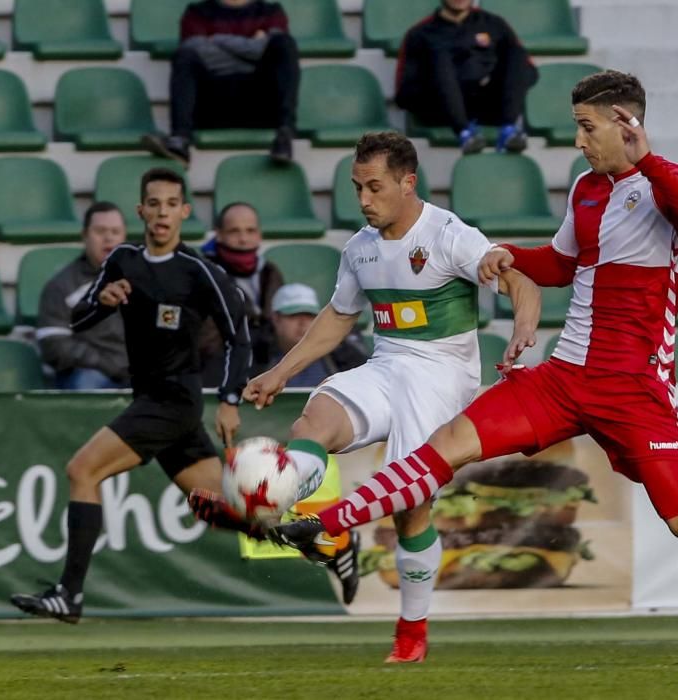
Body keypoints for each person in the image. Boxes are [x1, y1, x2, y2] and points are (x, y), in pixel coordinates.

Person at [270, 72, 678, 660]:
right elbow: (559, 263)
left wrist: (649, 157)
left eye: (587, 128)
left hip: (634, 392)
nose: (578, 141)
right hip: (563, 380)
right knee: (448, 443)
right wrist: (507, 256)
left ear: (625, 125)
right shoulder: (586, 189)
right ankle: (330, 521)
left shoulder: (670, 187)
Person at [191, 131, 542, 662]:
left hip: (442, 377)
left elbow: (520, 281)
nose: (363, 200)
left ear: (408, 183)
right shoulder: (361, 248)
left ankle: (412, 632)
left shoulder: (449, 234)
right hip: (387, 365)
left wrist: (521, 325)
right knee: (314, 422)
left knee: (410, 511)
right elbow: (336, 319)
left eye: (374, 187)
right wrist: (281, 372)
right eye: (357, 187)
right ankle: (273, 507)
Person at [10, 168, 257, 624]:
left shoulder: (199, 272)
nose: (162, 212)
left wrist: (229, 398)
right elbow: (79, 321)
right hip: (154, 399)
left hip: (173, 402)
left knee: (82, 469)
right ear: (141, 210)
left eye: (171, 204)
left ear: (184, 212)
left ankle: (70, 593)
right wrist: (101, 301)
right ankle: (323, 541)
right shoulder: (123, 259)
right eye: (153, 203)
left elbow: (238, 337)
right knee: (221, 511)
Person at [142, 0, 300, 165]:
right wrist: (253, 49)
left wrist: (215, 39)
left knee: (285, 44)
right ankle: (180, 140)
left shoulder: (272, 12)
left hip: (258, 106)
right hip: (213, 107)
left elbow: (275, 51)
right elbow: (194, 46)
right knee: (185, 56)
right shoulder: (196, 13)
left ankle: (285, 135)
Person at [395, 0, 538, 154]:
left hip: (488, 107)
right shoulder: (420, 33)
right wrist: (442, 84)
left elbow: (528, 72)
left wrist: (486, 79)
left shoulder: (494, 24)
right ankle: (464, 133)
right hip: (443, 111)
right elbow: (404, 94)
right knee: (440, 57)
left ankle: (509, 130)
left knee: (516, 52)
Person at [37, 202, 129, 390]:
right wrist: (107, 364)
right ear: (85, 236)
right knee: (86, 383)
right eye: (100, 231)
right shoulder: (61, 285)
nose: (108, 238)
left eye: (115, 231)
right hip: (92, 372)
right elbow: (54, 344)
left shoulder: (145, 278)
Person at [199, 201, 284, 387]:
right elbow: (206, 342)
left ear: (259, 235)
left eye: (250, 231)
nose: (243, 239)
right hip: (218, 370)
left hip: (267, 363)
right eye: (234, 231)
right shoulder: (204, 275)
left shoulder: (270, 272)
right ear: (219, 235)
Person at [253, 283, 368, 383]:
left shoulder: (343, 354)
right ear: (276, 318)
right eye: (293, 315)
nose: (303, 322)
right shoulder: (254, 356)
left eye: (310, 315)